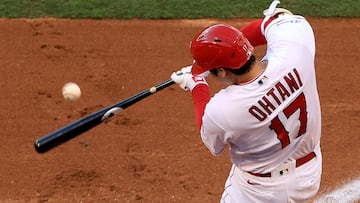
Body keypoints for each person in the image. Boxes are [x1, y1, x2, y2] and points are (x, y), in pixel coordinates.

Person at [171, 1, 322, 202]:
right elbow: (271, 23)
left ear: (222, 71)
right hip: (308, 175)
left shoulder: (225, 109)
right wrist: (228, 47)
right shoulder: (295, 47)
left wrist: (197, 83)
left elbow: (210, 139)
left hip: (261, 193)